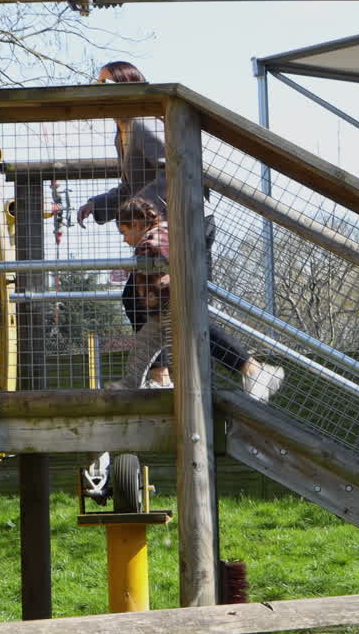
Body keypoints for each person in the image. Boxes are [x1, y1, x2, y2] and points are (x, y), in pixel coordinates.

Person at [78, 60, 284, 401]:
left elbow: (172, 170)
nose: (97, 90)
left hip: (188, 224)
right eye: (96, 83)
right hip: (163, 229)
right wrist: (97, 205)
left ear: (128, 87)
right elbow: (130, 187)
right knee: (139, 298)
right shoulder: (122, 132)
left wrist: (137, 208)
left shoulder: (144, 124)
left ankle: (251, 369)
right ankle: (162, 376)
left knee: (185, 305)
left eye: (105, 83)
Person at [108, 197, 172, 389]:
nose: (124, 239)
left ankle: (180, 387)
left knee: (175, 352)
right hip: (159, 311)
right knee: (142, 347)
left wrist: (134, 265)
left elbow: (162, 256)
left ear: (136, 224)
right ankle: (130, 384)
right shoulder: (156, 236)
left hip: (171, 309)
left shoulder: (153, 239)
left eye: (124, 232)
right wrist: (132, 267)